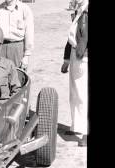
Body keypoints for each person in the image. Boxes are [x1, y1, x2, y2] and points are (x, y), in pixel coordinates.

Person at [61, 0, 88, 147]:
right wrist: (67, 60)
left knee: (84, 95)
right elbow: (72, 35)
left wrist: (81, 53)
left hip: (83, 56)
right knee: (75, 94)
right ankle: (77, 126)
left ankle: (86, 133)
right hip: (76, 54)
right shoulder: (80, 7)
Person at [0, 0, 34, 71]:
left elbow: (29, 33)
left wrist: (26, 56)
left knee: (18, 76)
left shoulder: (25, 9)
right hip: (1, 48)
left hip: (17, 48)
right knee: (0, 75)